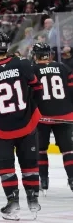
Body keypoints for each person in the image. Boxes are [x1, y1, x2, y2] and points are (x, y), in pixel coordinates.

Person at [0, 32, 43, 220]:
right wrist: (29, 109)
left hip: (1, 129)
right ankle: (33, 199)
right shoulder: (23, 63)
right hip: (27, 125)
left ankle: (13, 203)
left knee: (6, 167)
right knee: (29, 164)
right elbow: (37, 89)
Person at [31, 42, 73, 195]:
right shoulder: (64, 68)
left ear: (36, 55)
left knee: (41, 150)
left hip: (43, 116)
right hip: (65, 114)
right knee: (68, 150)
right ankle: (72, 178)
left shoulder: (33, 70)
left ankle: (43, 180)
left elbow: (29, 94)